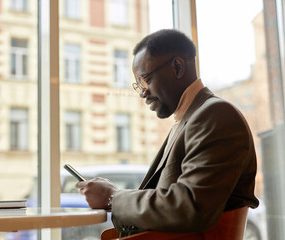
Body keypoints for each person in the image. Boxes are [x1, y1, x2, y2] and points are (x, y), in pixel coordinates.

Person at [75, 29, 259, 236]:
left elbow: (190, 206)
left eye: (146, 80)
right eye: (138, 85)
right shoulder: (190, 119)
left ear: (178, 67)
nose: (143, 93)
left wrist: (113, 197)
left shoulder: (215, 116)